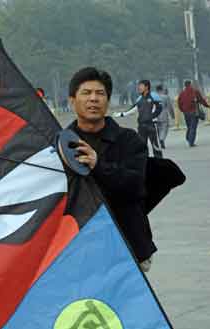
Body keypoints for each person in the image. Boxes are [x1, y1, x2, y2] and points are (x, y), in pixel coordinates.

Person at [66, 67, 156, 271]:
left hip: (126, 244)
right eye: (86, 93)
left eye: (100, 93)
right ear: (72, 100)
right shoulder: (59, 145)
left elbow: (135, 187)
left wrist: (98, 165)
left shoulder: (128, 140)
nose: (93, 99)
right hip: (76, 246)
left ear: (107, 100)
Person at [115, 80, 163, 158]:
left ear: (146, 87)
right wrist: (121, 114)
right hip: (141, 126)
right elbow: (133, 109)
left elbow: (159, 108)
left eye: (141, 86)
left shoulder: (154, 96)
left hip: (152, 125)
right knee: (142, 145)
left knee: (155, 145)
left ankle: (159, 162)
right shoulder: (139, 99)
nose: (139, 88)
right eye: (139, 86)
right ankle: (143, 163)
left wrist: (152, 117)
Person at [178, 80, 210, 147]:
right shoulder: (195, 92)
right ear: (190, 84)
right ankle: (191, 142)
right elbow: (201, 100)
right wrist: (207, 106)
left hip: (186, 113)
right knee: (193, 127)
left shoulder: (182, 93)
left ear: (185, 85)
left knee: (189, 126)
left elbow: (179, 103)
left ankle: (188, 137)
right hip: (194, 112)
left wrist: (182, 110)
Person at [155, 85, 173, 149]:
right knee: (164, 128)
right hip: (163, 114)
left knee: (159, 128)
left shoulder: (153, 97)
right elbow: (169, 107)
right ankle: (162, 139)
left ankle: (160, 139)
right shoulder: (165, 97)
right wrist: (172, 115)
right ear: (161, 89)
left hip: (155, 115)